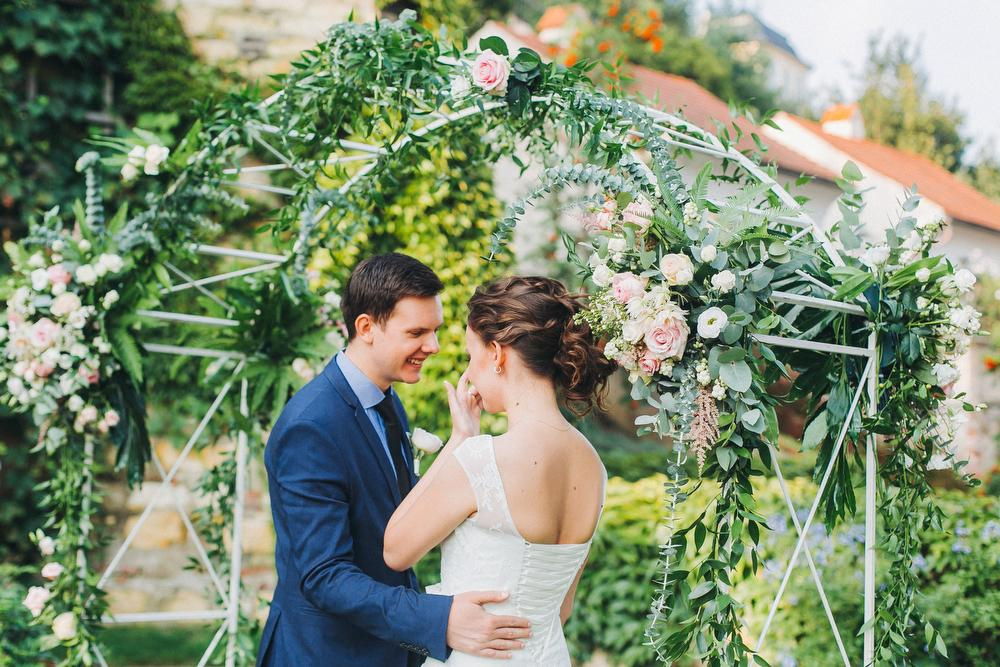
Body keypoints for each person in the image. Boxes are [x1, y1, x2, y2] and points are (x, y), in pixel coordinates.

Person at [257, 253, 532, 667]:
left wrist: (461, 441)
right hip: (327, 654)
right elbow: (324, 576)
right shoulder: (310, 427)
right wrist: (438, 619)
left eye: (435, 330)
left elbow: (400, 521)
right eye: (417, 332)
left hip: (387, 650)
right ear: (366, 327)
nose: (433, 347)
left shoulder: (387, 404)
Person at [383, 276, 615, 665]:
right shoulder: (593, 465)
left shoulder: (482, 459)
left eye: (472, 355)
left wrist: (459, 439)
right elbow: (561, 608)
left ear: (497, 353)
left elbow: (395, 550)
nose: (470, 372)